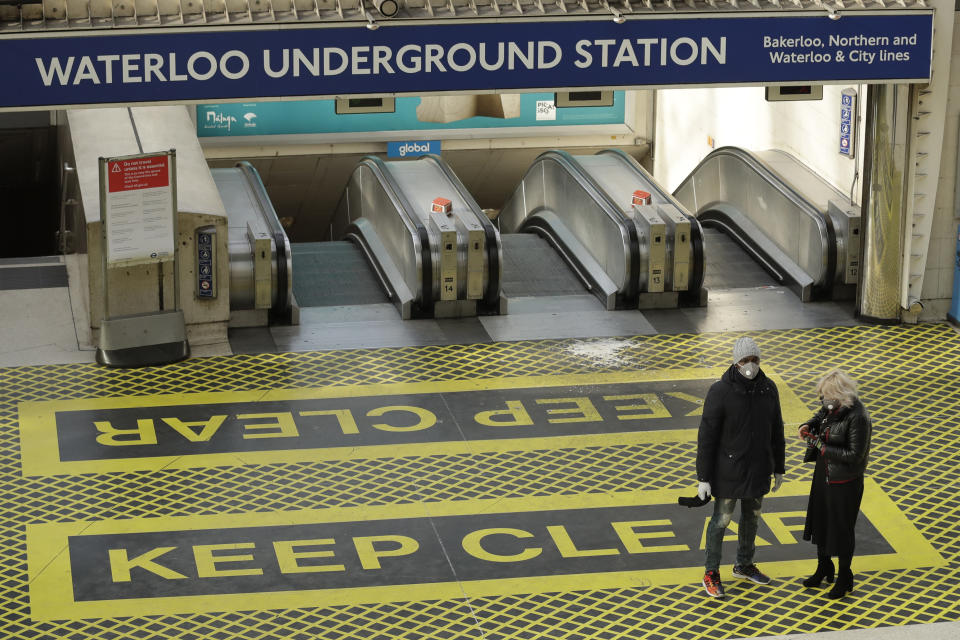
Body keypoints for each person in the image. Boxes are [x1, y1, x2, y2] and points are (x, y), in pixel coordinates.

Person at [696, 336, 785, 598]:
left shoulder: (768, 389)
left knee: (752, 518)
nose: (751, 365)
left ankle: (744, 564)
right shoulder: (720, 392)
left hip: (758, 469)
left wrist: (778, 467)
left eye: (755, 360)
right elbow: (707, 436)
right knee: (721, 520)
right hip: (728, 472)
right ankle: (711, 572)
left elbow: (776, 430)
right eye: (746, 360)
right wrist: (703, 477)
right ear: (736, 363)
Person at [798, 369, 872, 599]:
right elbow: (821, 415)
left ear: (841, 394)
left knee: (841, 529)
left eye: (828, 396)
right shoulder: (834, 407)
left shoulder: (858, 416)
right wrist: (808, 425)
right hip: (825, 473)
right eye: (822, 396)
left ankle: (844, 576)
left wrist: (820, 446)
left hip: (845, 481)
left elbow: (854, 455)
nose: (824, 401)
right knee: (820, 521)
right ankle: (824, 567)